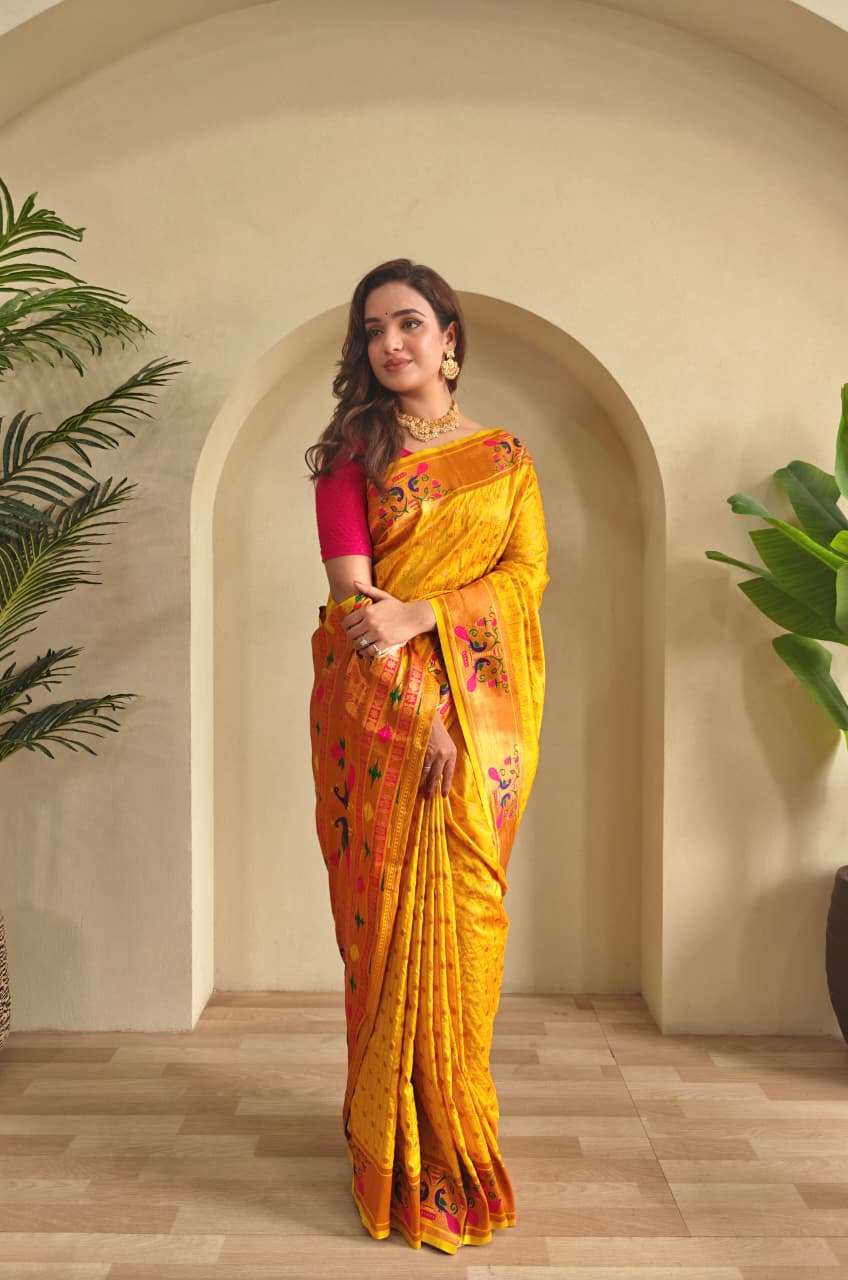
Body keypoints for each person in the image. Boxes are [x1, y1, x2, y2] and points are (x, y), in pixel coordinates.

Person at [304, 257, 550, 1255]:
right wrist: (426, 719)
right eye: (373, 330)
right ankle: (396, 1149)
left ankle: (459, 1135)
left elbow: (526, 577)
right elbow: (356, 609)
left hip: (488, 724)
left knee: (473, 926)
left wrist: (429, 612)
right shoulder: (349, 456)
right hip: (386, 723)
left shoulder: (504, 459)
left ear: (449, 338)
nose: (389, 343)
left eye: (408, 323)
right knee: (389, 939)